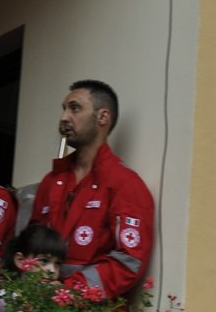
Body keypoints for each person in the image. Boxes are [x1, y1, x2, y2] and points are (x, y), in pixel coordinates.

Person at [29, 80, 153, 297]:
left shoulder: (125, 184)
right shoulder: (51, 181)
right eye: (64, 109)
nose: (64, 117)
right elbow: (30, 245)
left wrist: (70, 292)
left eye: (75, 108)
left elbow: (129, 261)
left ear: (102, 117)